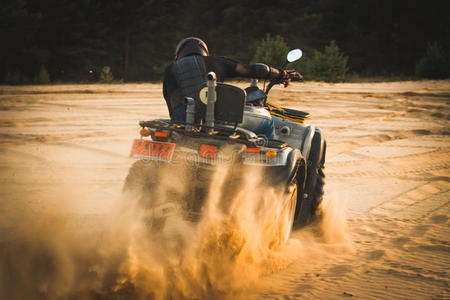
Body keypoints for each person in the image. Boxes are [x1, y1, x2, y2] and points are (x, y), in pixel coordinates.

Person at [162, 37, 300, 139]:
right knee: (268, 122)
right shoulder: (215, 62)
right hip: (217, 123)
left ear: (178, 55)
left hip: (183, 123)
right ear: (204, 52)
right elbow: (255, 70)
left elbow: (171, 107)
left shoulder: (169, 70)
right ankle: (267, 167)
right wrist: (283, 74)